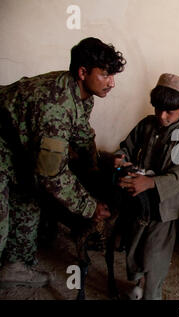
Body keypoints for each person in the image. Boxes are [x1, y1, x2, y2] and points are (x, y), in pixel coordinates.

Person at [0, 37, 126, 288]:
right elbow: (52, 175)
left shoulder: (83, 94)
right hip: (3, 147)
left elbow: (81, 134)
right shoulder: (54, 106)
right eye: (106, 75)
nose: (112, 83)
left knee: (29, 201)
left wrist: (94, 168)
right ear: (83, 72)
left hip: (19, 148)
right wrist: (90, 207)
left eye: (113, 75)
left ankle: (14, 267)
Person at [114, 73, 179, 300]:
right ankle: (139, 284)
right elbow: (126, 148)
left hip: (163, 207)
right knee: (134, 247)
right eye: (158, 109)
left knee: (155, 255)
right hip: (138, 201)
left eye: (169, 111)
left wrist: (150, 182)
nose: (162, 116)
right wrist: (120, 158)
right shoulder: (146, 125)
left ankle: (153, 295)